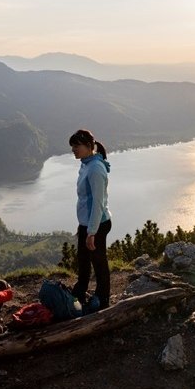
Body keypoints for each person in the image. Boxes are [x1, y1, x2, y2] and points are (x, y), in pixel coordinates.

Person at [69, 129, 112, 311]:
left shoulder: (95, 168)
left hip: (98, 224)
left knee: (99, 262)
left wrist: (92, 232)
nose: (73, 150)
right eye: (72, 146)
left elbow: (98, 204)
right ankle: (80, 291)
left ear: (88, 146)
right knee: (83, 259)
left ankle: (102, 299)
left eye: (76, 146)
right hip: (87, 223)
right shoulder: (86, 164)